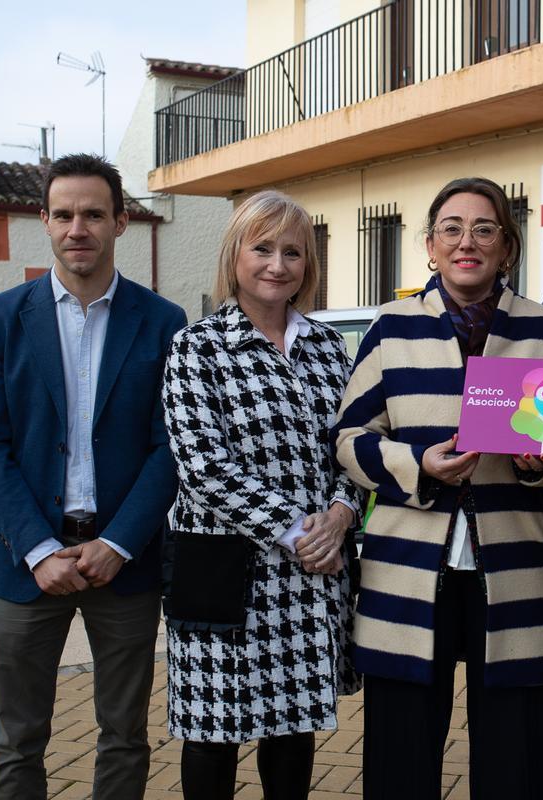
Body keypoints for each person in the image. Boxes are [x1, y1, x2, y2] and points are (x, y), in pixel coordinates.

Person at [333, 177, 543, 800]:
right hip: (408, 567)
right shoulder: (391, 327)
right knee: (401, 748)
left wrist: (538, 464)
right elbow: (348, 438)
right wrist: (417, 463)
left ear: (507, 247)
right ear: (431, 247)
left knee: (514, 749)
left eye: (484, 229)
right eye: (452, 229)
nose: (467, 242)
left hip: (514, 562)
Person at [0, 153, 187, 800]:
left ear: (120, 222)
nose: (77, 227)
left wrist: (118, 544)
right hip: (23, 564)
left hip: (124, 564)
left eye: (92, 214)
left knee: (124, 736)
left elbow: (171, 448)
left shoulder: (164, 322)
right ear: (44, 222)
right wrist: (36, 548)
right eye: (63, 214)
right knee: (17, 741)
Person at [161, 190, 364, 800]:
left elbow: (354, 442)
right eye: (263, 248)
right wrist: (304, 532)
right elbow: (202, 466)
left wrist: (342, 511)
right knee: (212, 734)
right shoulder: (196, 348)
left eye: (293, 252)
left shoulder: (328, 349)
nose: (278, 264)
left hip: (311, 574)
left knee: (293, 730)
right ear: (234, 255)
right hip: (226, 567)